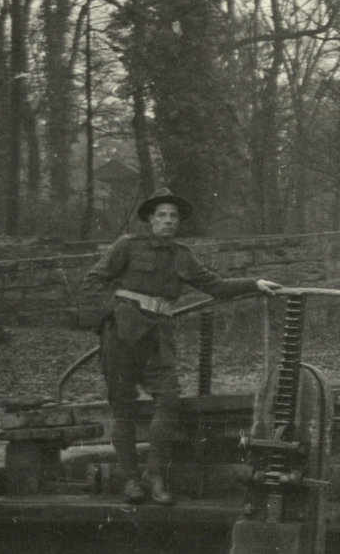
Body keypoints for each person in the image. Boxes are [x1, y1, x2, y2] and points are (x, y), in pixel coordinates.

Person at [83, 188, 281, 505]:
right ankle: (131, 480)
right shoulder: (128, 246)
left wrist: (254, 284)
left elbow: (214, 285)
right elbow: (93, 279)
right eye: (161, 215)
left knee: (169, 400)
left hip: (158, 338)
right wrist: (113, 312)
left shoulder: (183, 256)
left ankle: (155, 475)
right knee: (122, 407)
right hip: (122, 336)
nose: (168, 221)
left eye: (173, 216)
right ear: (150, 219)